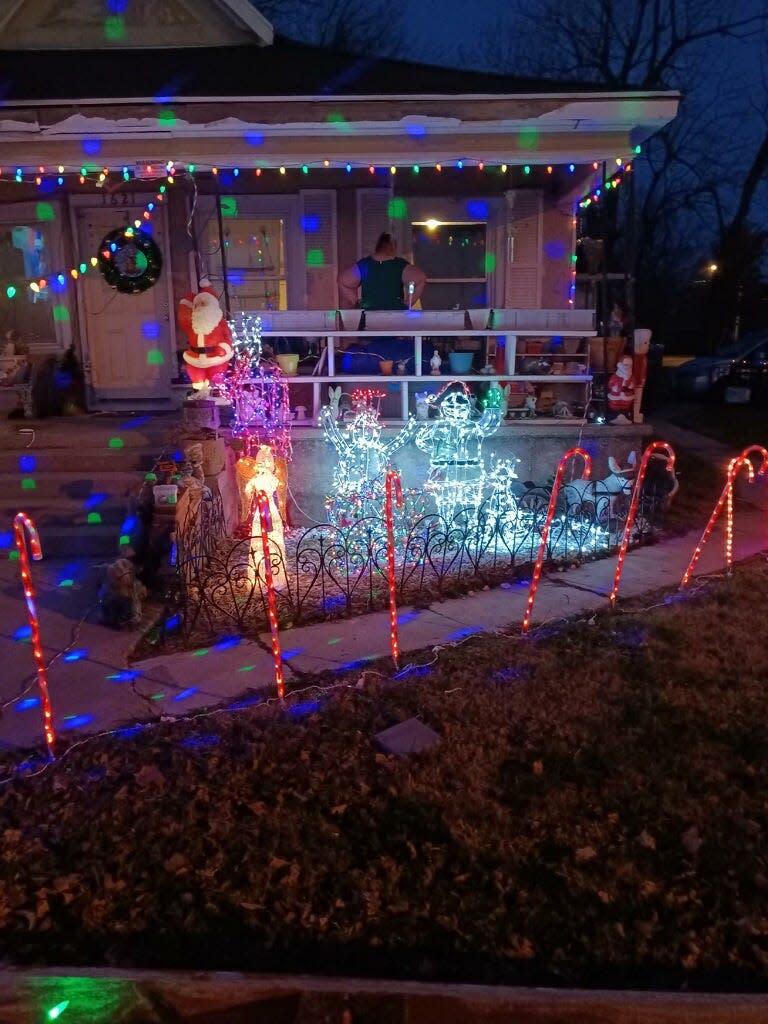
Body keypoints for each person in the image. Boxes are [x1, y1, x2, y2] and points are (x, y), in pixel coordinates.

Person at [338, 232, 426, 310]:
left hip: (368, 315)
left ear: (378, 246)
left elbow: (343, 281)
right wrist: (407, 304)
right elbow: (420, 278)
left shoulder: (365, 264)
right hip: (395, 315)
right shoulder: (399, 265)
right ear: (393, 246)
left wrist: (355, 302)